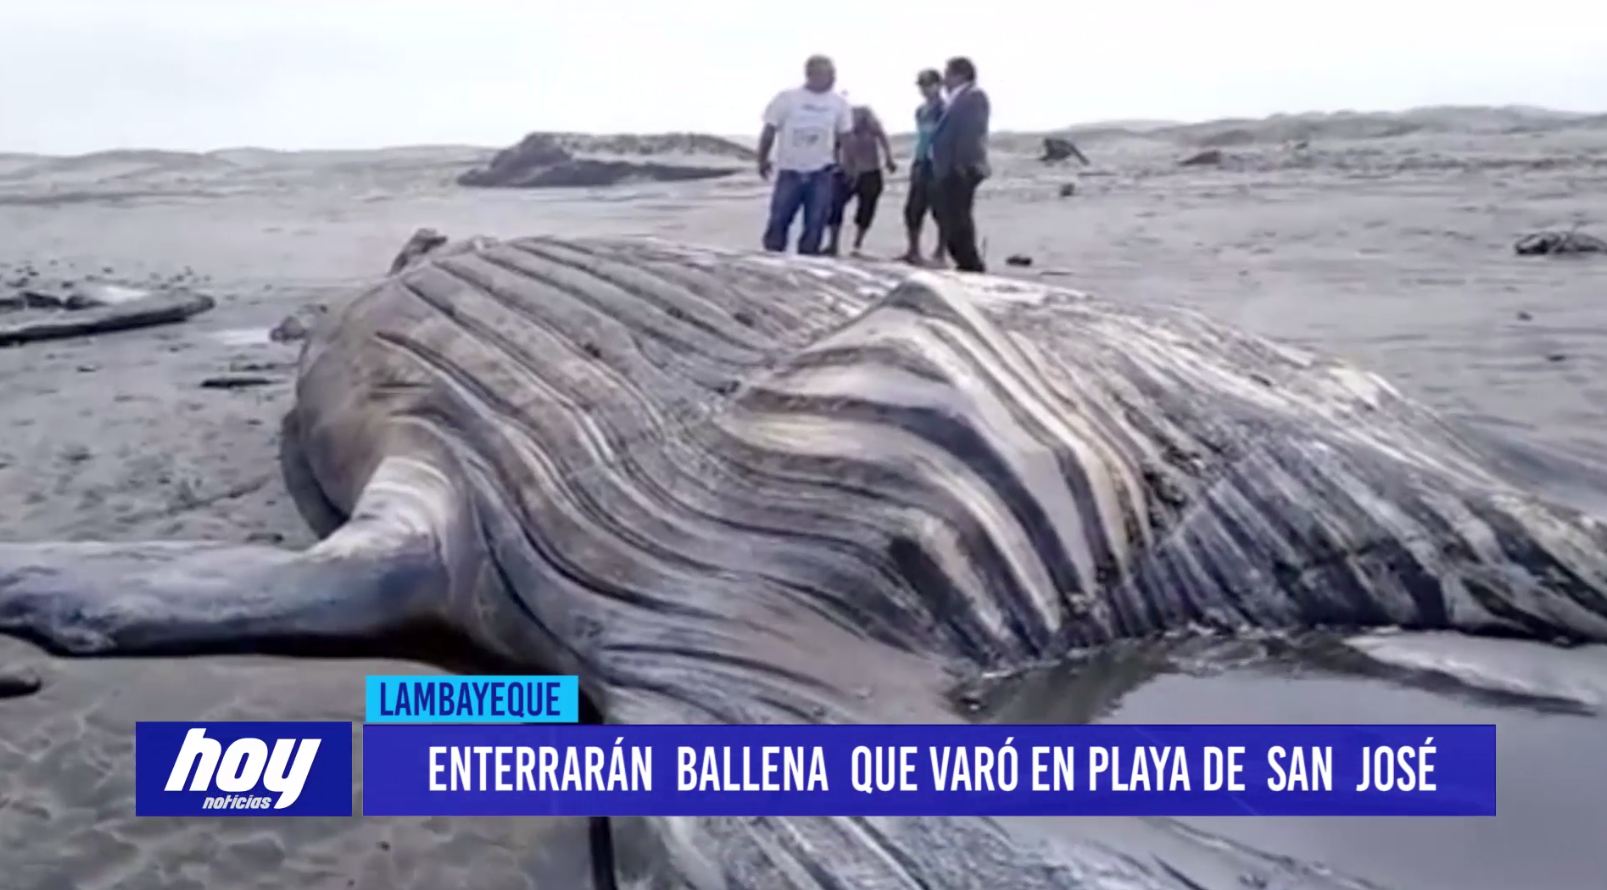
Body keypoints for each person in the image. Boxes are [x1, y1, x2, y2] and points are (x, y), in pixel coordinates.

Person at [757, 56, 853, 256]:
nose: (832, 78)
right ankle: (771, 259)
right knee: (779, 219)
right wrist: (762, 158)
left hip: (821, 172)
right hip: (790, 170)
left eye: (833, 74)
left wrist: (849, 164)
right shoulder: (787, 98)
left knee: (816, 222)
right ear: (811, 74)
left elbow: (846, 136)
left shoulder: (839, 103)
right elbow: (769, 129)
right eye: (827, 74)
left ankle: (807, 261)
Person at [929, 56, 990, 272]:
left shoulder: (974, 96)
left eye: (947, 74)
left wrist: (962, 164)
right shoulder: (955, 99)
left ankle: (970, 262)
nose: (944, 80)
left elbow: (970, 132)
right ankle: (964, 259)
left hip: (961, 167)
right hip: (948, 168)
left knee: (958, 215)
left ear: (960, 75)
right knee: (945, 212)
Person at [826, 106, 896, 256]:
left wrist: (889, 158)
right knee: (834, 206)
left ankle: (857, 244)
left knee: (867, 208)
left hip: (870, 170)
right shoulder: (840, 120)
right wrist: (835, 164)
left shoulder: (866, 117)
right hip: (846, 171)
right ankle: (833, 244)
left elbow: (882, 136)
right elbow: (834, 145)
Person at [901, 69, 946, 266]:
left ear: (939, 85)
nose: (925, 89)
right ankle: (913, 250)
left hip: (938, 162)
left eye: (928, 85)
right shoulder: (921, 110)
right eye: (922, 85)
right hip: (921, 160)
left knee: (940, 209)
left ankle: (940, 251)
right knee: (913, 208)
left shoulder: (945, 109)